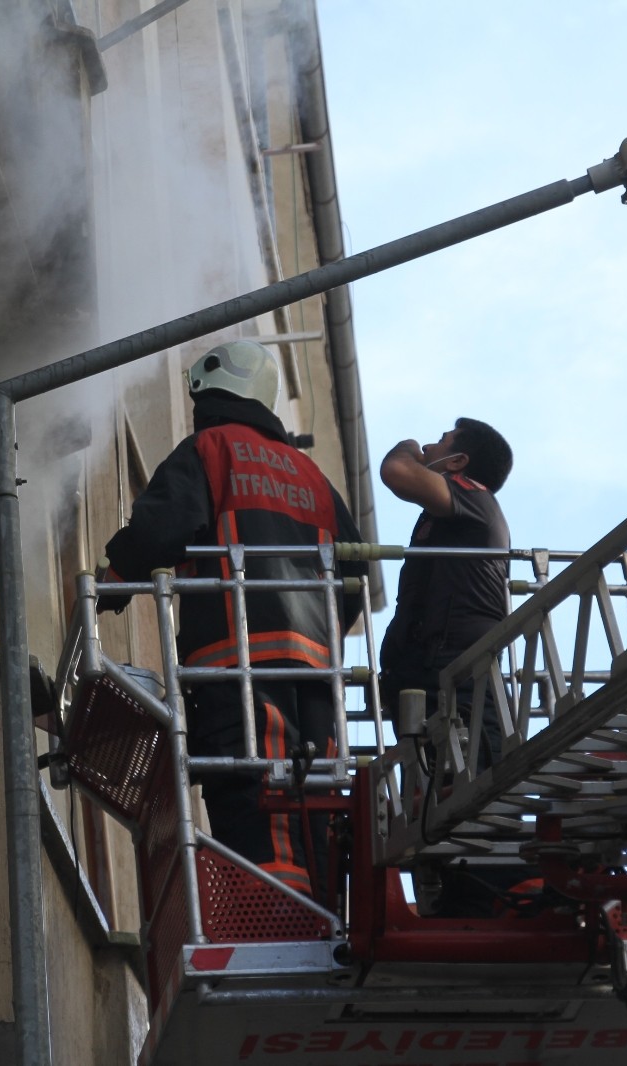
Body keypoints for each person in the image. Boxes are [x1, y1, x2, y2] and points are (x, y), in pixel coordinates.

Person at [99, 339, 363, 897]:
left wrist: (115, 579)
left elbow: (160, 528)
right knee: (312, 798)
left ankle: (274, 915)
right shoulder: (313, 477)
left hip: (236, 665)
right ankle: (320, 917)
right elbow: (353, 579)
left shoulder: (211, 448)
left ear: (210, 396)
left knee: (252, 792)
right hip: (316, 678)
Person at [378, 417, 517, 915]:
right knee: (436, 804)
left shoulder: (472, 498)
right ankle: (453, 903)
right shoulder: (457, 507)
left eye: (442, 441)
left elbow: (396, 469)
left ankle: (481, 900)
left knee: (468, 796)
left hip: (458, 684)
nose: (429, 443)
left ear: (457, 463)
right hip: (433, 681)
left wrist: (409, 447)